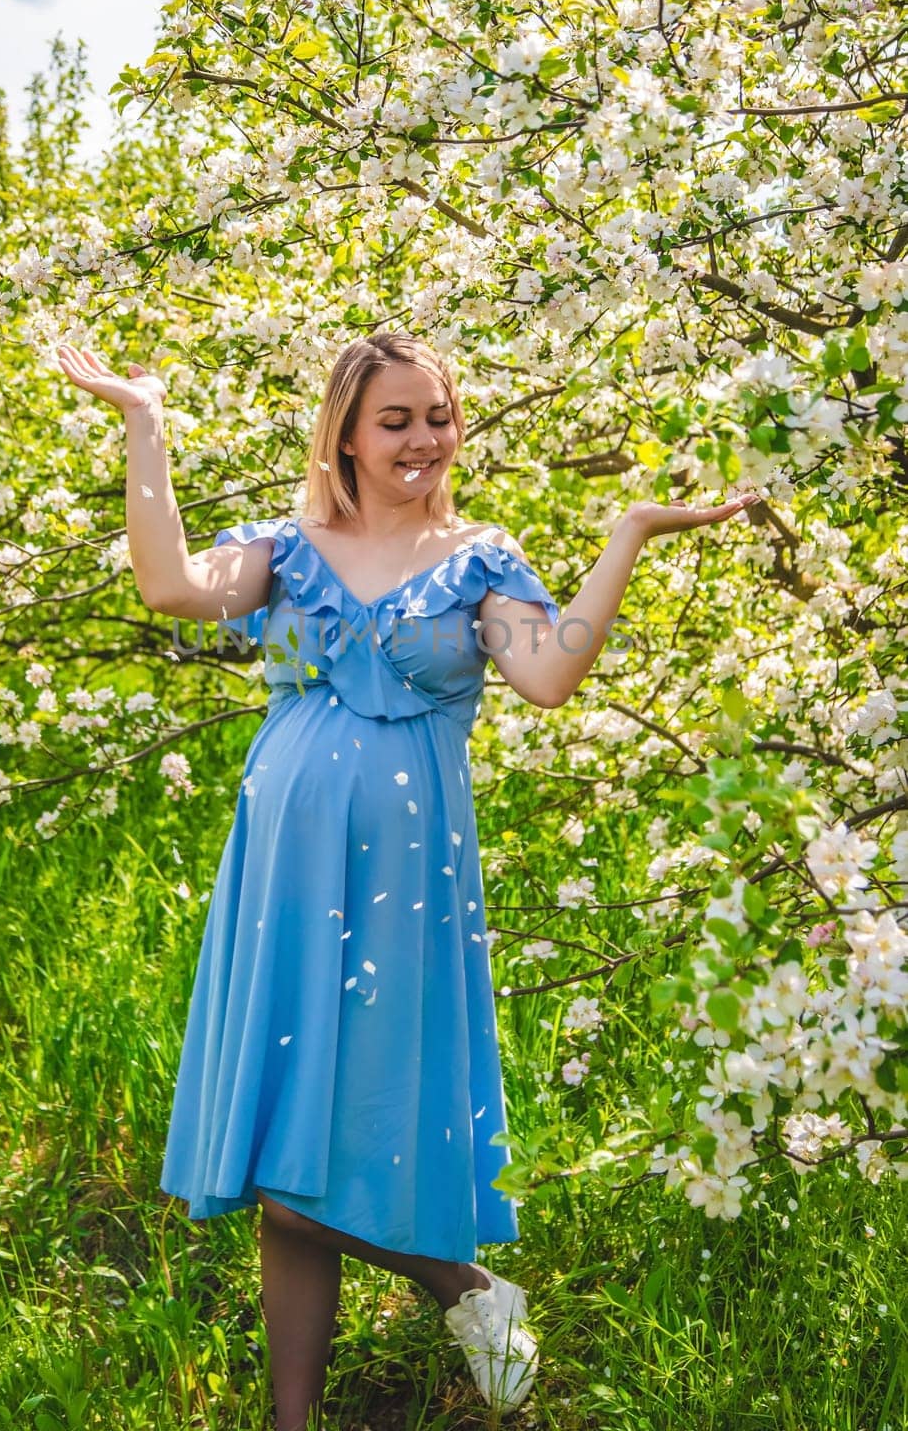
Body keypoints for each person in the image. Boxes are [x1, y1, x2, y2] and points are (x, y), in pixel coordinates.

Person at [57, 329, 759, 1430]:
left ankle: (460, 1284)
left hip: (404, 888)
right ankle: (331, 1390)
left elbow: (549, 672)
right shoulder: (285, 549)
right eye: (396, 420)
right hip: (283, 878)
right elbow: (167, 583)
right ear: (344, 431)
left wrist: (624, 533)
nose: (424, 438)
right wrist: (144, 426)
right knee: (283, 1147)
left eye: (437, 415)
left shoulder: (479, 557)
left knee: (351, 1126)